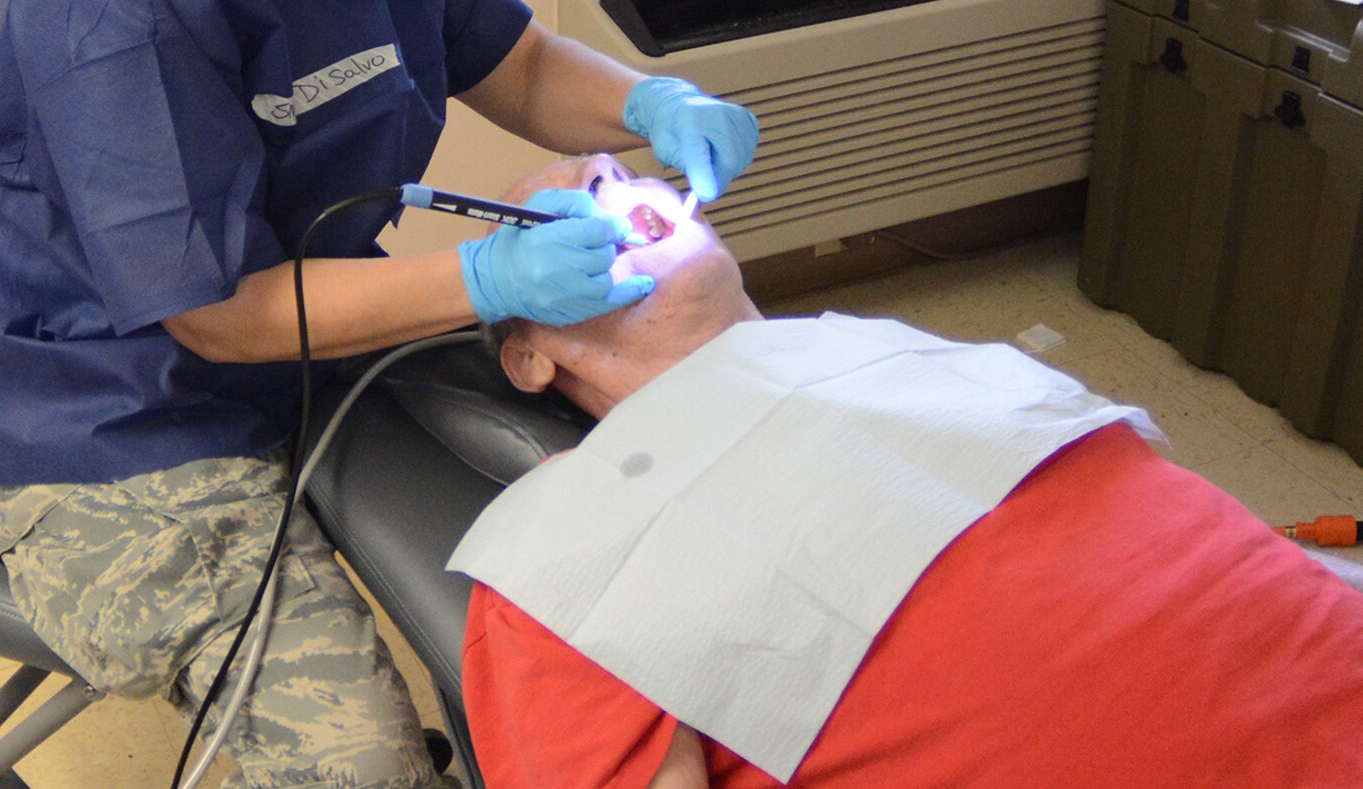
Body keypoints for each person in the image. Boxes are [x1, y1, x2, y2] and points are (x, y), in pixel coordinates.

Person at [0, 0, 760, 789]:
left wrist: (653, 102)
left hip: (312, 335)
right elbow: (216, 314)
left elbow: (512, 65)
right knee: (362, 765)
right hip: (116, 407)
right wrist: (487, 280)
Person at [458, 153, 1363, 789]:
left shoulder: (876, 349)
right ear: (529, 358)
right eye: (561, 213)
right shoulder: (564, 545)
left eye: (615, 170)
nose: (611, 185)